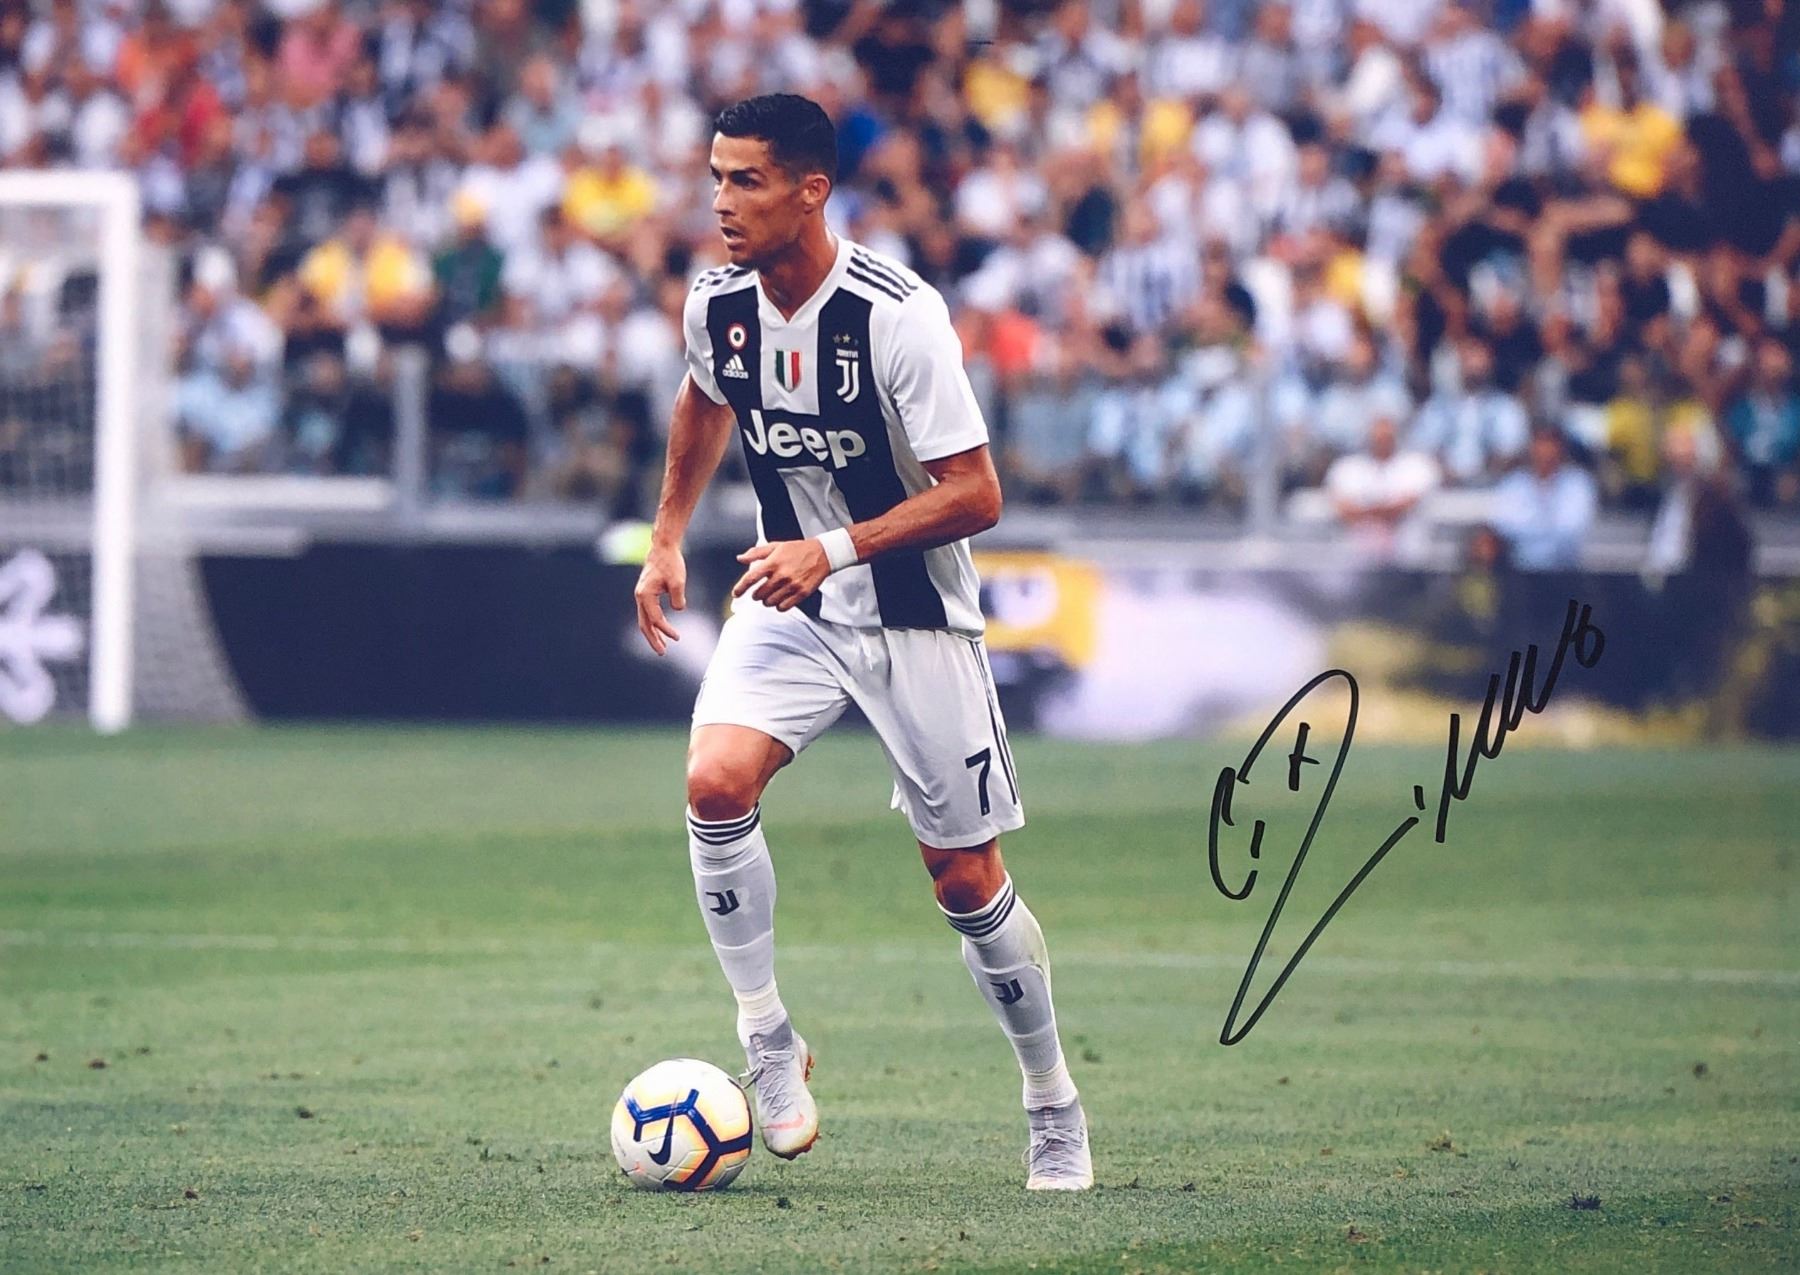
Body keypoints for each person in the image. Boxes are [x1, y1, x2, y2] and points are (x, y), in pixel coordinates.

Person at [631, 94, 1090, 1191]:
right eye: (715, 177)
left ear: (810, 191)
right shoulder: (717, 303)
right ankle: (766, 1038)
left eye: (746, 181)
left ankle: (1051, 1102)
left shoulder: (899, 315)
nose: (722, 202)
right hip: (788, 599)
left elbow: (977, 493)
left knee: (965, 881)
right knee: (713, 783)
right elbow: (705, 400)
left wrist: (831, 550)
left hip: (913, 613)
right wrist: (667, 537)